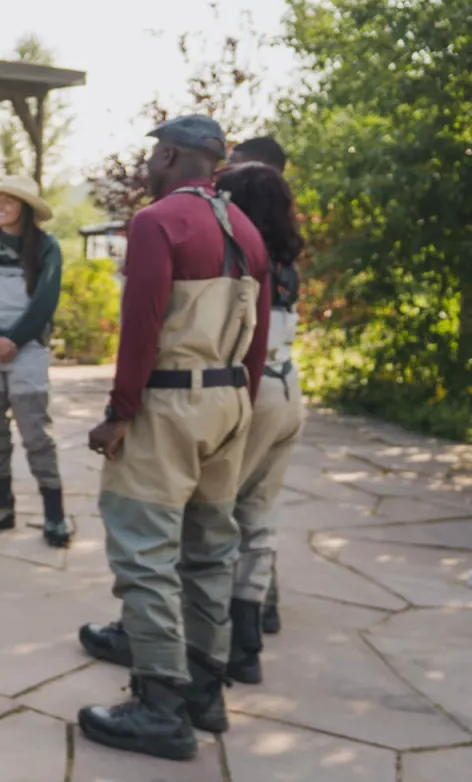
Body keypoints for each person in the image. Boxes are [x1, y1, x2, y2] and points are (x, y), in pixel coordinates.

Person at [76, 115, 271, 762]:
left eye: (152, 158)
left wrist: (120, 410)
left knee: (144, 550)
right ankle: (204, 693)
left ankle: (159, 706)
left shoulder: (157, 222)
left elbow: (143, 322)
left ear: (167, 155)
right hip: (228, 403)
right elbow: (258, 338)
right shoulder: (246, 228)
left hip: (168, 401)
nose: (148, 170)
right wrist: (235, 404)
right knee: (211, 550)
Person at [0, 175, 71, 548]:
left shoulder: (46, 248)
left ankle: (54, 513)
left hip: (28, 353)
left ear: (26, 208)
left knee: (36, 434)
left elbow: (45, 300)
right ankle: (1, 506)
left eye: (9, 201)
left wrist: (14, 339)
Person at [228, 134, 289, 637]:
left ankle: (223, 633)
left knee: (219, 510)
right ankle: (256, 619)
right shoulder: (287, 256)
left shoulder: (248, 258)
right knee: (260, 511)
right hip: (290, 387)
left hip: (255, 386)